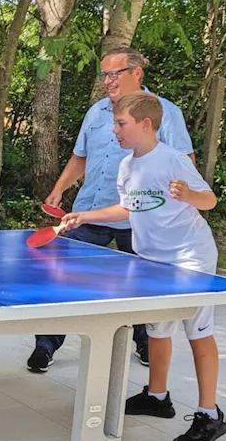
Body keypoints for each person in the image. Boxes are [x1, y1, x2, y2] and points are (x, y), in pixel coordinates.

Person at [60, 91, 226, 441]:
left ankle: (210, 413)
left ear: (146, 124)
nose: (115, 130)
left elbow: (209, 199)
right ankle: (157, 396)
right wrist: (84, 215)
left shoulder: (172, 160)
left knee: (197, 333)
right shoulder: (127, 166)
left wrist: (188, 194)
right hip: (153, 260)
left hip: (189, 258)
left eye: (121, 124)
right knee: (157, 330)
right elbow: (128, 209)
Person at [26, 46, 195, 374]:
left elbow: (185, 164)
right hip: (90, 211)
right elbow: (81, 158)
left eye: (114, 73)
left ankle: (145, 342)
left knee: (145, 285)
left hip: (141, 218)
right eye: (103, 74)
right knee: (61, 280)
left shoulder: (166, 113)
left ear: (137, 73)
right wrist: (59, 189)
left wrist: (182, 205)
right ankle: (45, 345)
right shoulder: (96, 113)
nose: (107, 80)